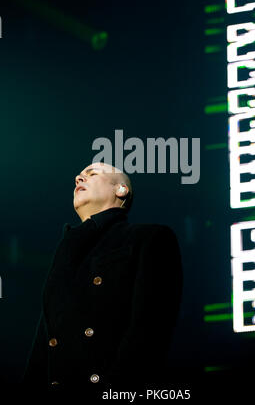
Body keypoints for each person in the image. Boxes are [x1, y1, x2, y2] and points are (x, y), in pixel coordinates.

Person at [22, 162, 183, 397]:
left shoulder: (150, 238)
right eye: (78, 176)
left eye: (91, 173)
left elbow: (149, 330)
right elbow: (43, 345)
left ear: (121, 190)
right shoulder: (64, 253)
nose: (79, 178)